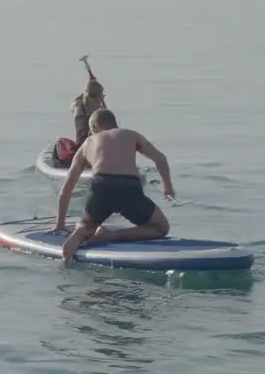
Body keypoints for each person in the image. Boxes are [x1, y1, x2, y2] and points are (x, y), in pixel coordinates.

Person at [54, 109, 175, 262]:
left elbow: (67, 188)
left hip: (101, 187)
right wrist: (167, 186)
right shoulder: (130, 134)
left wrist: (60, 224)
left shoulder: (87, 143)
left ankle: (80, 232)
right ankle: (110, 235)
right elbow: (160, 159)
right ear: (115, 123)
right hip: (129, 188)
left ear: (94, 127)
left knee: (87, 224)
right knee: (161, 227)